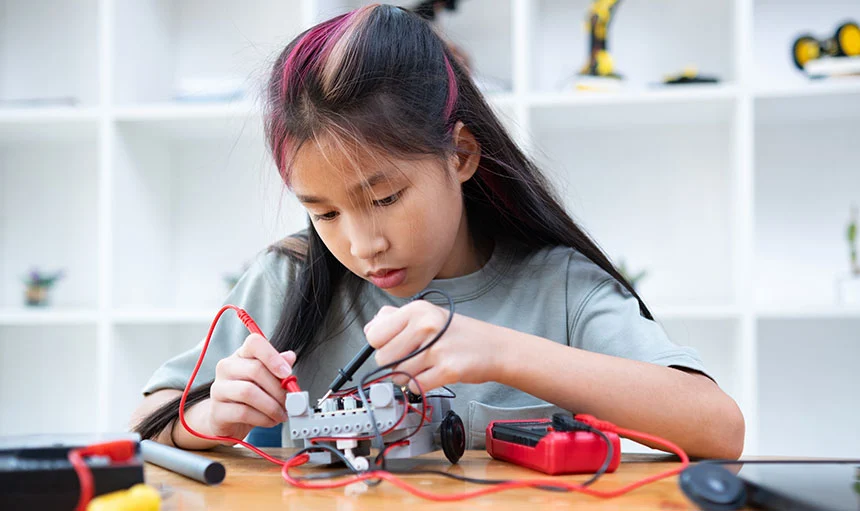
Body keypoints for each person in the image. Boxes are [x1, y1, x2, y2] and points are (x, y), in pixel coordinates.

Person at [131, 4, 744, 458]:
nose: (362, 244)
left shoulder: (558, 287)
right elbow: (145, 417)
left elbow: (719, 429)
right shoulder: (289, 278)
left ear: (461, 156)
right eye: (325, 213)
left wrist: (500, 351)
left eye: (385, 197)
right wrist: (208, 416)